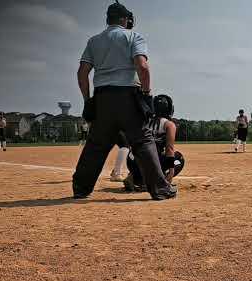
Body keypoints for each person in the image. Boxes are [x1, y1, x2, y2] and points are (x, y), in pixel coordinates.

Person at [72, 1, 176, 200]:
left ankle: (81, 188)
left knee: (96, 145)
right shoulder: (133, 36)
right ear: (124, 19)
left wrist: (88, 100)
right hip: (128, 96)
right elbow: (142, 67)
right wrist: (146, 95)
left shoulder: (93, 41)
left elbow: (82, 73)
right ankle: (160, 189)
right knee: (143, 141)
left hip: (102, 97)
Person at [124, 94, 185, 192]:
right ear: (170, 109)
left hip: (132, 161)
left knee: (141, 150)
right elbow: (169, 149)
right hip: (151, 163)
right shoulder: (169, 125)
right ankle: (160, 182)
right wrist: (171, 172)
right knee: (179, 158)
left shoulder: (144, 121)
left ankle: (134, 177)